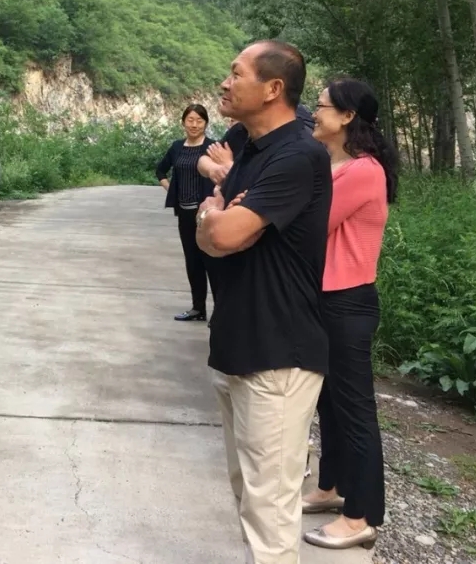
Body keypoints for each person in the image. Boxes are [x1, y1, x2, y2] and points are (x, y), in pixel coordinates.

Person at [196, 41, 332, 564]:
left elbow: (223, 233)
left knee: (270, 512)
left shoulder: (298, 155)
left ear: (273, 88)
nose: (225, 83)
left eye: (237, 74)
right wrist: (216, 216)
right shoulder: (250, 149)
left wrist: (218, 221)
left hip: (278, 354)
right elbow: (215, 229)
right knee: (247, 496)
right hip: (236, 342)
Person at [301, 79, 396, 551]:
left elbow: (308, 225)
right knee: (329, 404)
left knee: (355, 410)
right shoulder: (334, 164)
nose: (313, 112)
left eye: (321, 106)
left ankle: (361, 514)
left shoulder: (363, 170)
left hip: (347, 301)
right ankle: (331, 486)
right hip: (326, 298)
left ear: (346, 117)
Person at [155, 104, 217, 322]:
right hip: (184, 213)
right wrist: (171, 189)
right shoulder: (176, 147)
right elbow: (160, 170)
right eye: (190, 120)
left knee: (212, 261)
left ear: (206, 123)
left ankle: (221, 312)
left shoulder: (213, 148)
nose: (194, 125)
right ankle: (198, 309)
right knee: (192, 261)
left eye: (199, 120)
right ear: (183, 122)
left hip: (207, 215)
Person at [198, 103, 316, 186]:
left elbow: (267, 184)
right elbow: (203, 160)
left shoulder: (294, 141)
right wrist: (213, 169)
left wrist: (230, 166)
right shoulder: (239, 130)